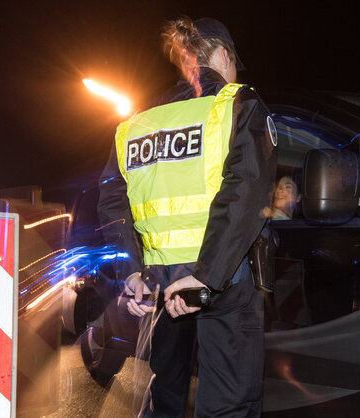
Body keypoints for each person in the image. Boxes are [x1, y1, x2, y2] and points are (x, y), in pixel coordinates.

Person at [97, 16, 276, 417]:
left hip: (163, 283)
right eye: (233, 63)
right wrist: (209, 273)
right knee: (230, 399)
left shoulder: (136, 123)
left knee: (168, 386)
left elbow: (112, 201)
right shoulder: (237, 102)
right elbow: (247, 191)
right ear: (224, 55)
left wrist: (131, 271)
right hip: (225, 281)